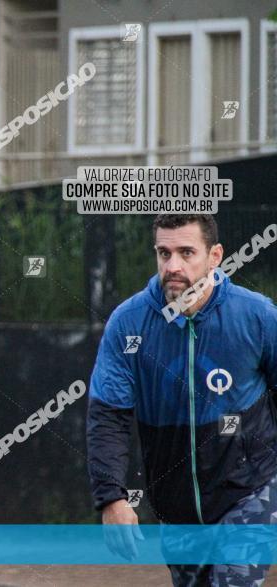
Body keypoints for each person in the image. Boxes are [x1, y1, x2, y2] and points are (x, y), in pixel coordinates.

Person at [87, 215, 277, 586]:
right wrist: (112, 497)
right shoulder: (128, 323)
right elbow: (109, 416)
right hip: (176, 505)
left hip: (249, 488)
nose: (173, 266)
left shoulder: (256, 316)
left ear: (215, 256)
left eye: (186, 252)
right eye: (164, 252)